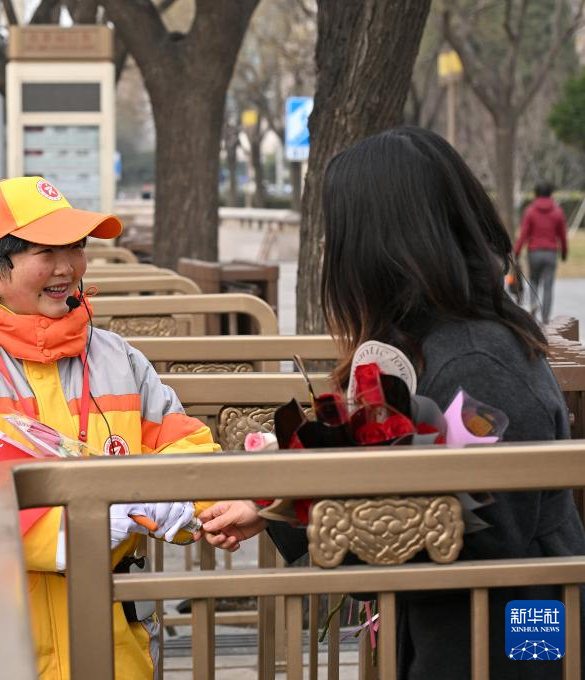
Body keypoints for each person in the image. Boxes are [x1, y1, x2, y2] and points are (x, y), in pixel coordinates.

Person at [196, 127, 585, 680]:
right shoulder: (442, 342)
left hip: (511, 639)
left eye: (341, 235)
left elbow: (471, 531)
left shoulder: (476, 363)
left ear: (380, 244)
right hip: (471, 629)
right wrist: (276, 509)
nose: (335, 253)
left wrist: (328, 519)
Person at [0, 176, 221, 679]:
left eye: (76, 247)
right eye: (46, 251)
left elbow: (186, 443)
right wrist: (66, 529)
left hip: (110, 648)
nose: (67, 267)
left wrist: (193, 501)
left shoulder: (117, 358)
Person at [515, 182, 568, 325]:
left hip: (534, 252)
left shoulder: (530, 211)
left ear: (536, 194)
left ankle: (533, 304)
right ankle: (545, 318)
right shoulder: (558, 211)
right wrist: (564, 252)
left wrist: (518, 250)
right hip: (551, 253)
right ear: (551, 194)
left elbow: (524, 233)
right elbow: (562, 234)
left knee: (533, 280)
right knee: (548, 286)